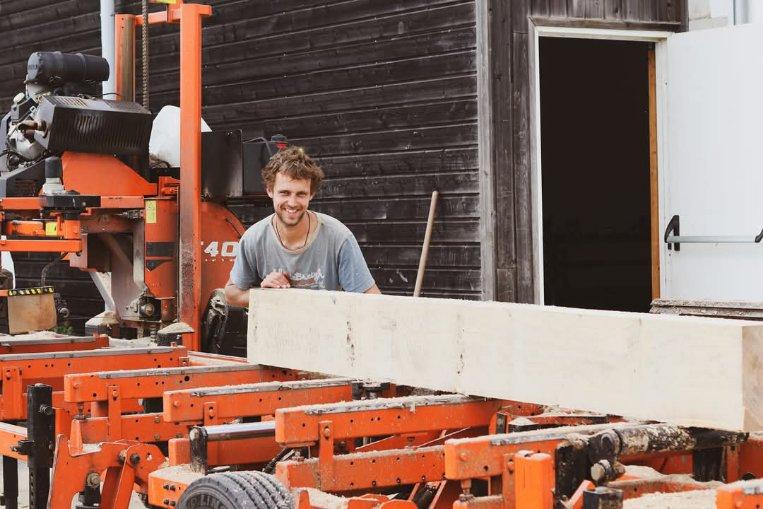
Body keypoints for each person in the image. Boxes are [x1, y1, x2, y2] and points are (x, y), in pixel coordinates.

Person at [224, 146, 381, 307]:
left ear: (311, 194)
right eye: (285, 193)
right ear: (270, 190)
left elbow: (373, 300)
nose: (292, 203)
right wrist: (264, 294)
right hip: (275, 323)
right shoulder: (254, 238)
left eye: (301, 194)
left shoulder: (338, 237)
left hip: (325, 322)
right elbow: (231, 295)